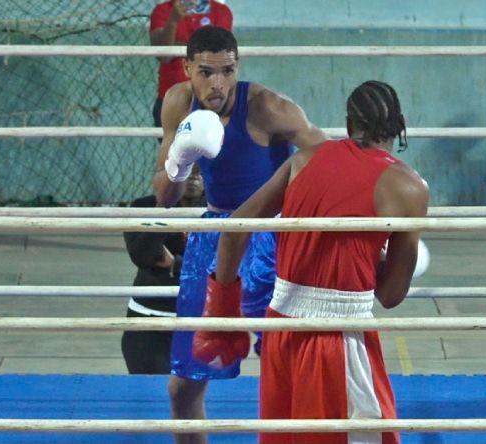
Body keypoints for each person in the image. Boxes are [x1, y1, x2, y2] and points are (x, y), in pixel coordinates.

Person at [194, 80, 429, 444]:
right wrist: (375, 250)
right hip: (338, 335)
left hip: (281, 328)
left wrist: (221, 317)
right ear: (400, 126)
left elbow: (235, 230)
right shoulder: (408, 187)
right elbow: (391, 294)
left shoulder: (303, 160)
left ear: (350, 126)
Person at [152, 26, 326, 444]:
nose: (218, 84)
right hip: (214, 239)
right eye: (207, 72)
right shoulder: (178, 102)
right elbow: (164, 198)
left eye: (227, 71)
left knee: (290, 372)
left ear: (237, 67)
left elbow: (326, 155)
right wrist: (180, 162)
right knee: (184, 387)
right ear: (187, 68)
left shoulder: (266, 107)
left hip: (271, 239)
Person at [120, 169, 204, 375]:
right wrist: (164, 207)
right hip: (149, 321)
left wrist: (175, 263)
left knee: (192, 401)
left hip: (199, 322)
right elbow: (142, 256)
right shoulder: (144, 206)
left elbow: (222, 264)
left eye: (201, 172)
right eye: (188, 170)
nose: (193, 177)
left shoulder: (218, 210)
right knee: (151, 397)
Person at [149, 0, 233, 130]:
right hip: (172, 99)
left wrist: (180, 47)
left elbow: (218, 51)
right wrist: (173, 21)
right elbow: (163, 55)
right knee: (171, 148)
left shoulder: (221, 11)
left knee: (214, 147)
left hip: (211, 97)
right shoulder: (163, 10)